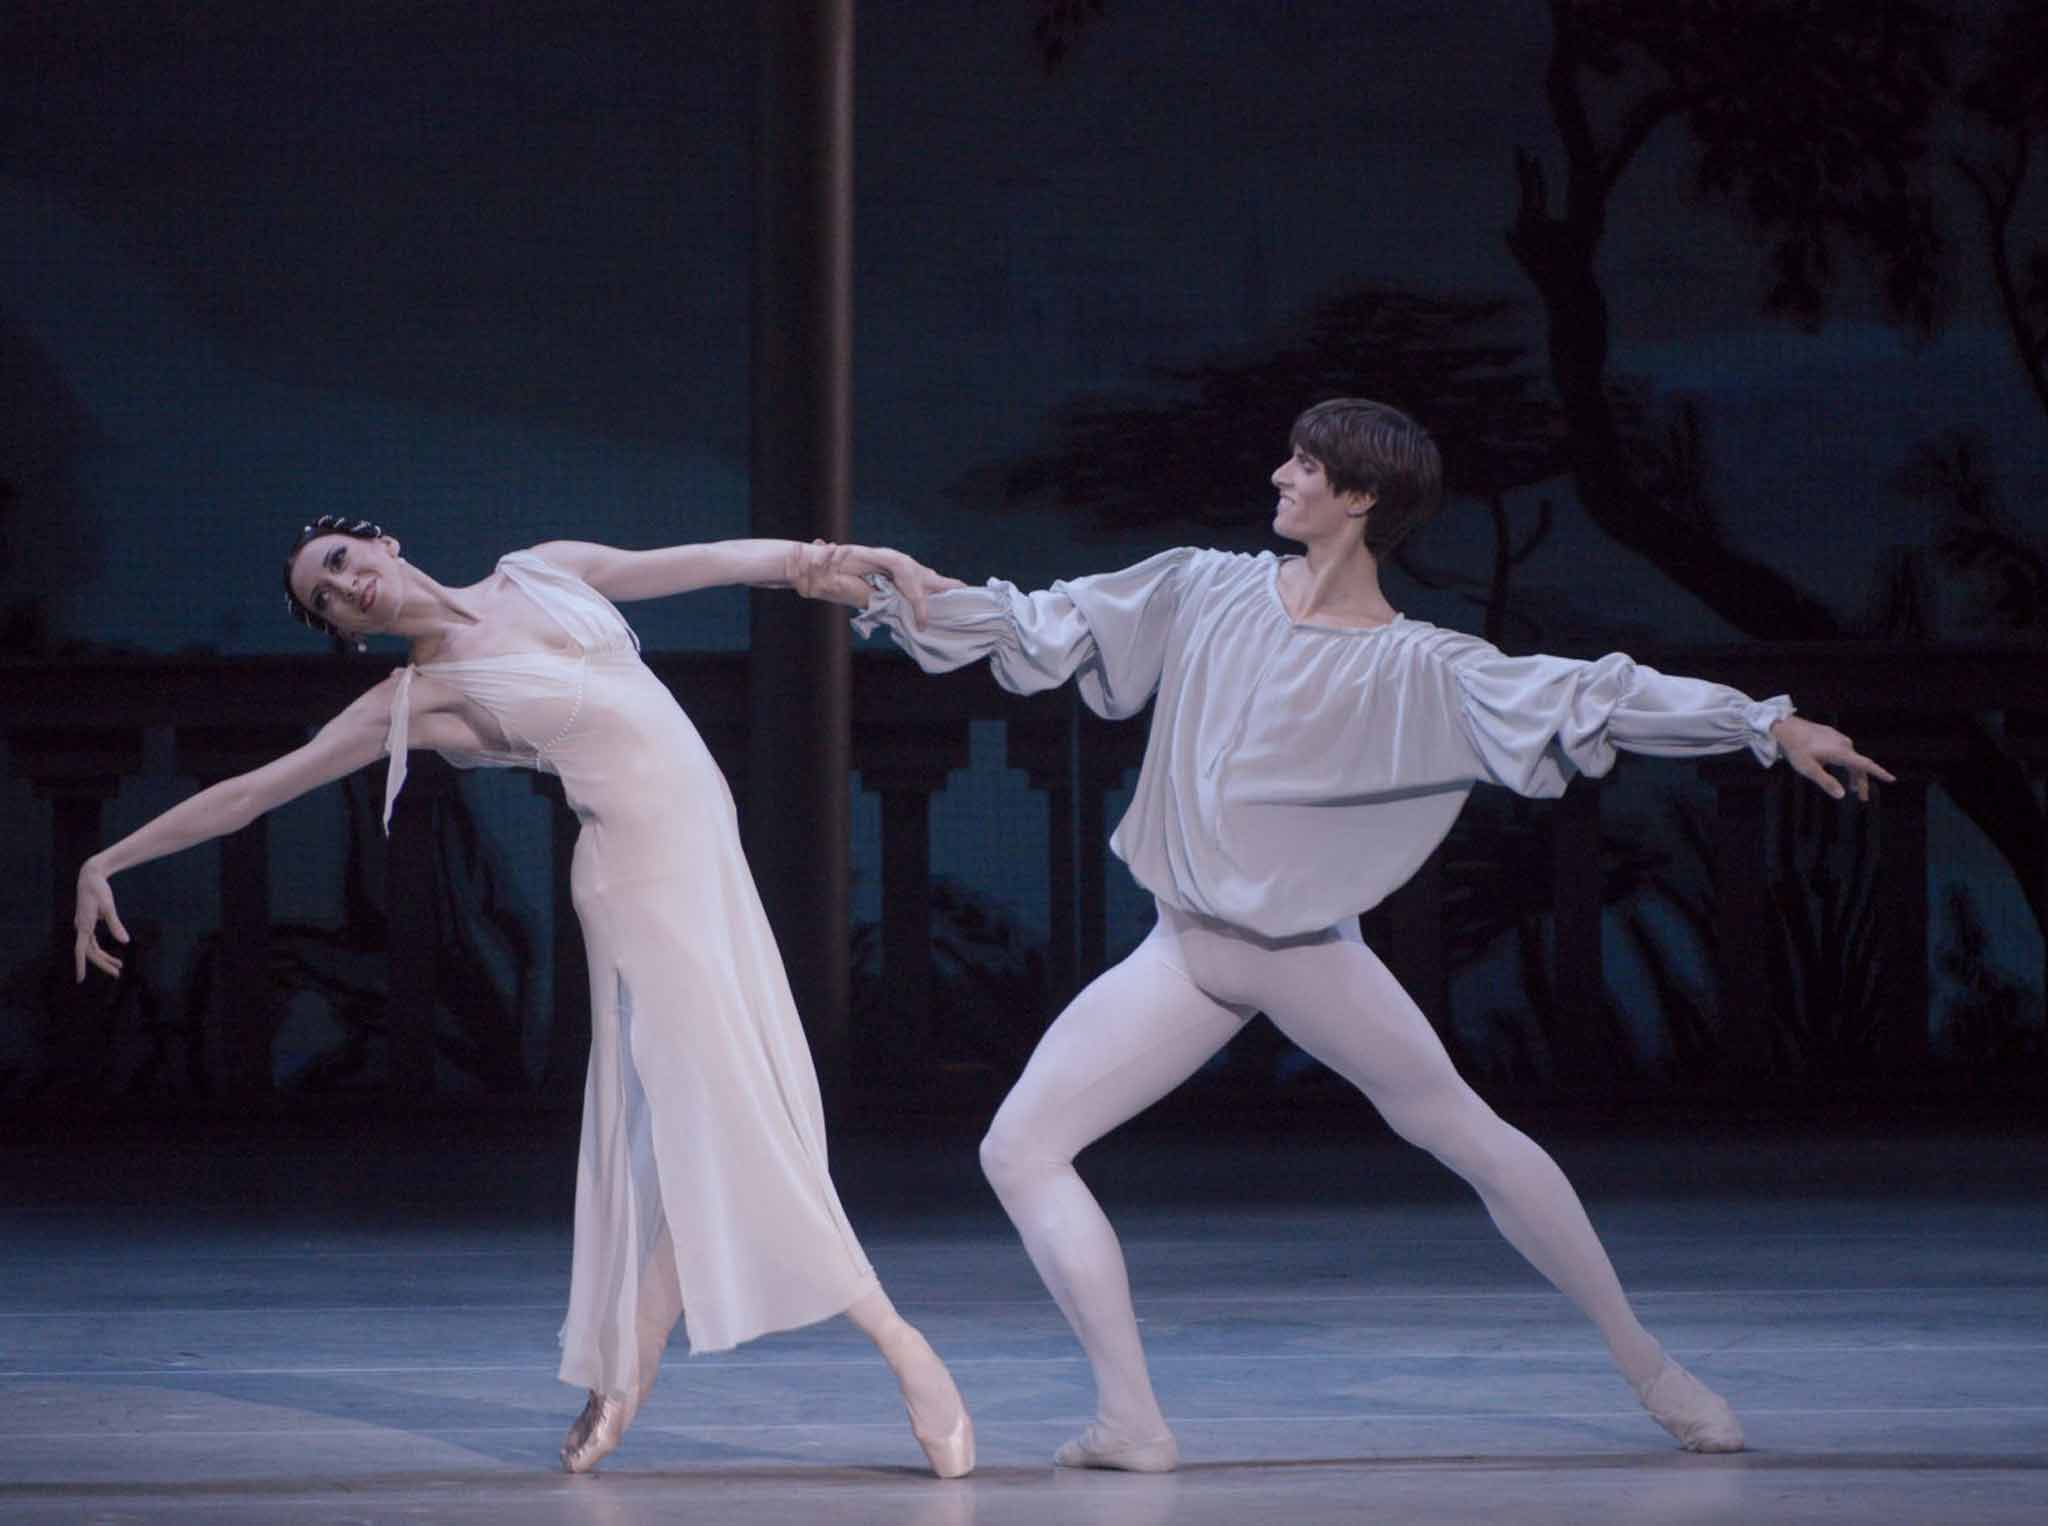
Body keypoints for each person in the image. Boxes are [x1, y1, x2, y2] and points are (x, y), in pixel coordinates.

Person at [813, 397, 1894, 1471]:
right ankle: (1130, 1419)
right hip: (1185, 949)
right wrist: (897, 587)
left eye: (1305, 463)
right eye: (1287, 454)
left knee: (1468, 1136)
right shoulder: (1204, 585)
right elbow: (1044, 623)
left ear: (1360, 497)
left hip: (1304, 954)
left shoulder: (1416, 662)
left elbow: (1587, 697)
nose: (1280, 474)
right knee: (1020, 1145)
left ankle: (1651, 1366)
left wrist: (1763, 721)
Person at [72, 517, 974, 1478]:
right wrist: (109, 857)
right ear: (345, 630)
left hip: (711, 867)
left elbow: (706, 564)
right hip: (639, 890)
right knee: (740, 1116)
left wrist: (832, 565)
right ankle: (903, 1348)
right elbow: (255, 790)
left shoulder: (541, 571)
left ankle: (627, 1368)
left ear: (379, 541)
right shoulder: (414, 699)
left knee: (717, 1124)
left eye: (340, 562)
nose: (346, 587)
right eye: (324, 600)